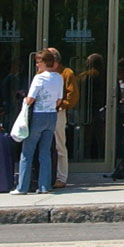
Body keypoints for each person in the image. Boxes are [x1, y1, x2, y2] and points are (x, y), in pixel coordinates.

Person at [16, 48, 64, 195]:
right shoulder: (58, 77)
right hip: (51, 115)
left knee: (27, 152)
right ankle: (44, 186)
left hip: (38, 115)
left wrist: (24, 100)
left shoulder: (39, 78)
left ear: (45, 62)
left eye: (38, 62)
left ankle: (22, 187)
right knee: (45, 153)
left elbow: (30, 99)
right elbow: (59, 99)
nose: (37, 65)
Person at [52, 46, 77, 188]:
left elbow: (72, 96)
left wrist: (61, 105)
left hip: (58, 112)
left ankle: (61, 177)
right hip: (43, 113)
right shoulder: (41, 73)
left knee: (59, 145)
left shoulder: (66, 73)